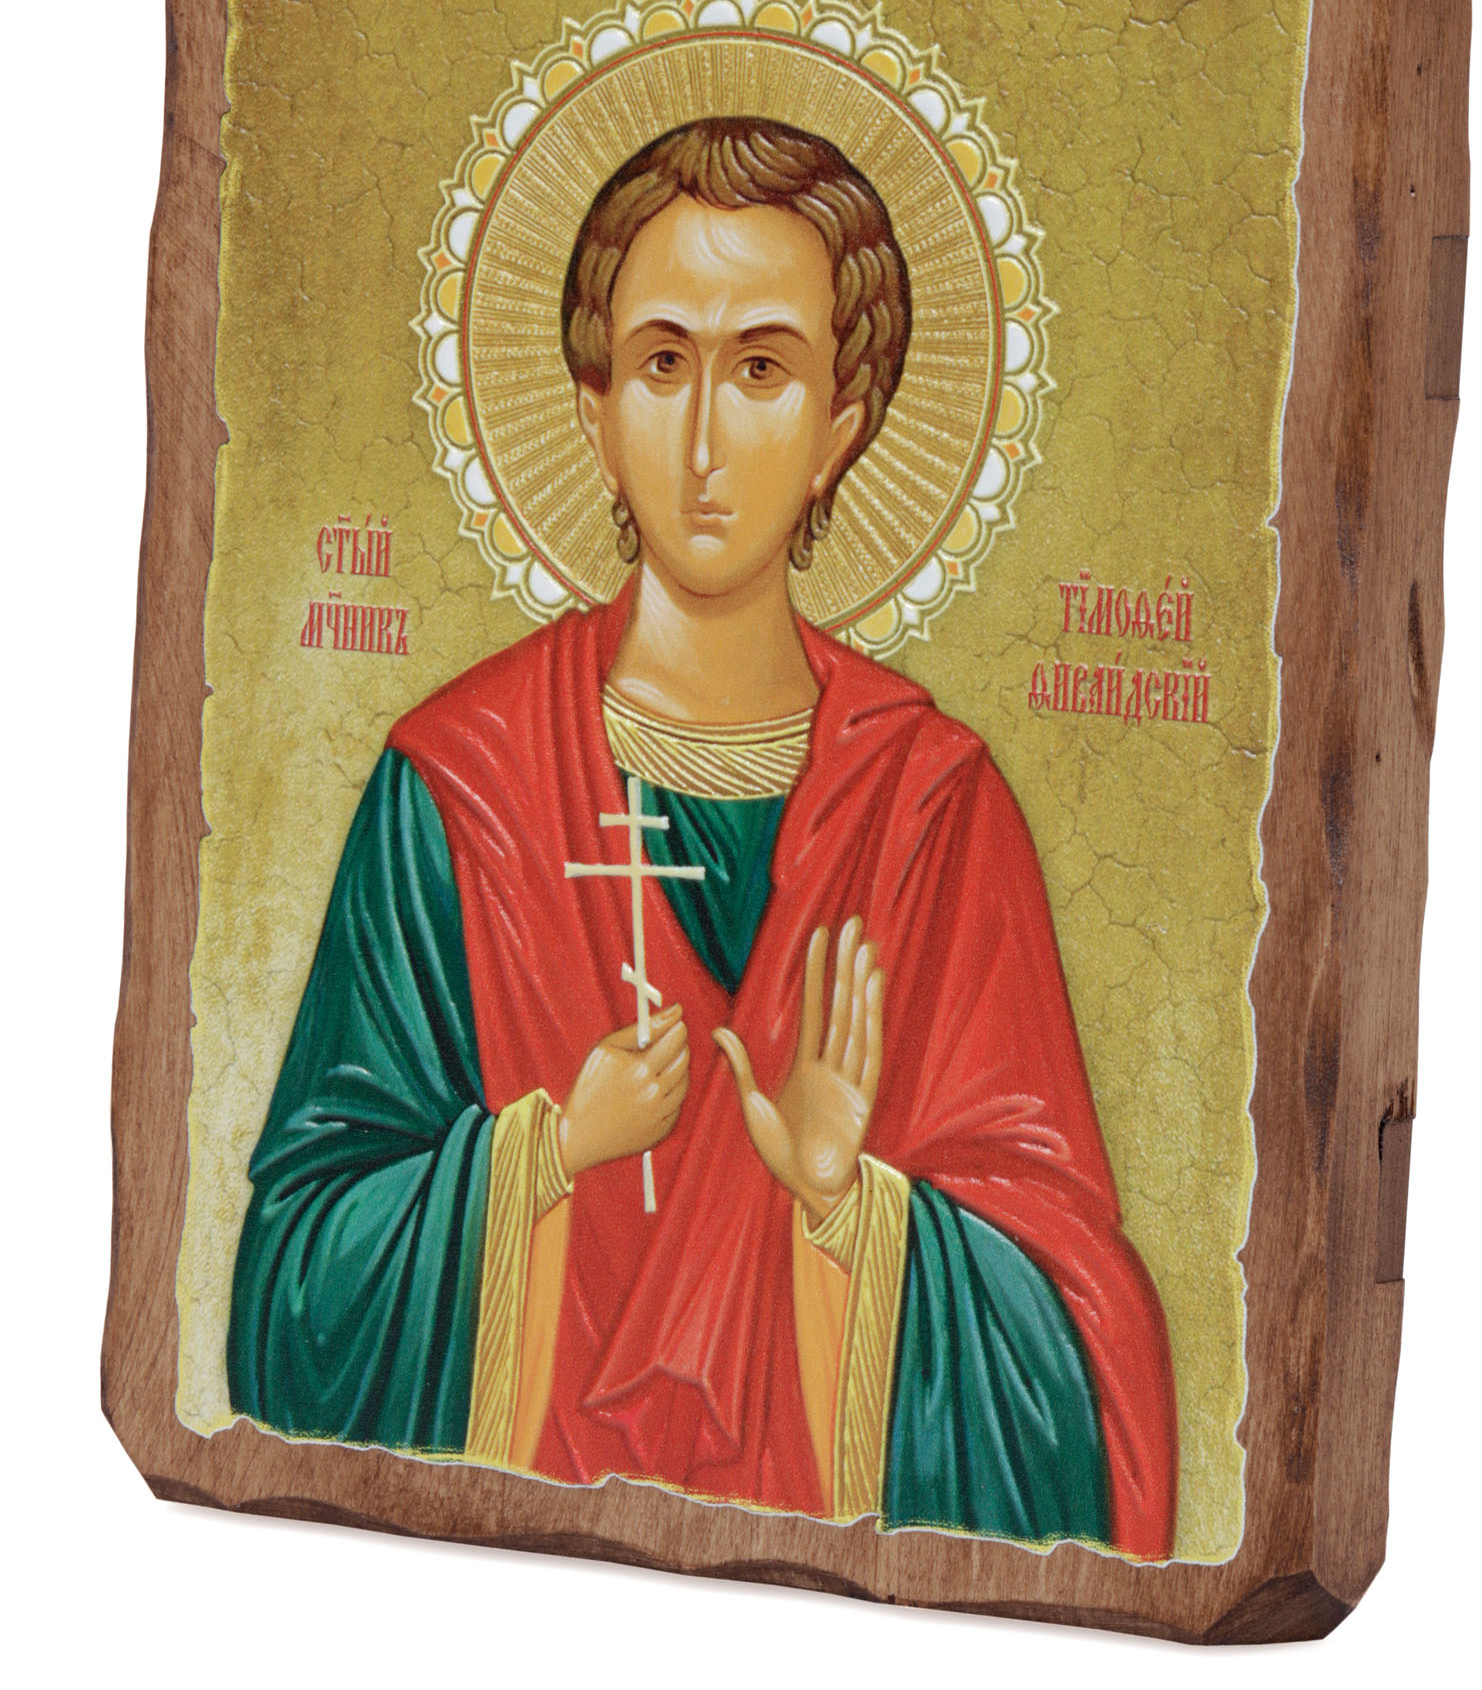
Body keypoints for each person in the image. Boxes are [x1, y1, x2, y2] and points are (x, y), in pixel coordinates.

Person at [227, 117, 1178, 1555]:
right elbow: (294, 1277)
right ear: (595, 410)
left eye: (764, 371)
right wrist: (546, 1152)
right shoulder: (457, 787)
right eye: (663, 364)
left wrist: (857, 1215)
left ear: (842, 429)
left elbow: (1083, 1342)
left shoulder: (934, 810)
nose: (704, 440)